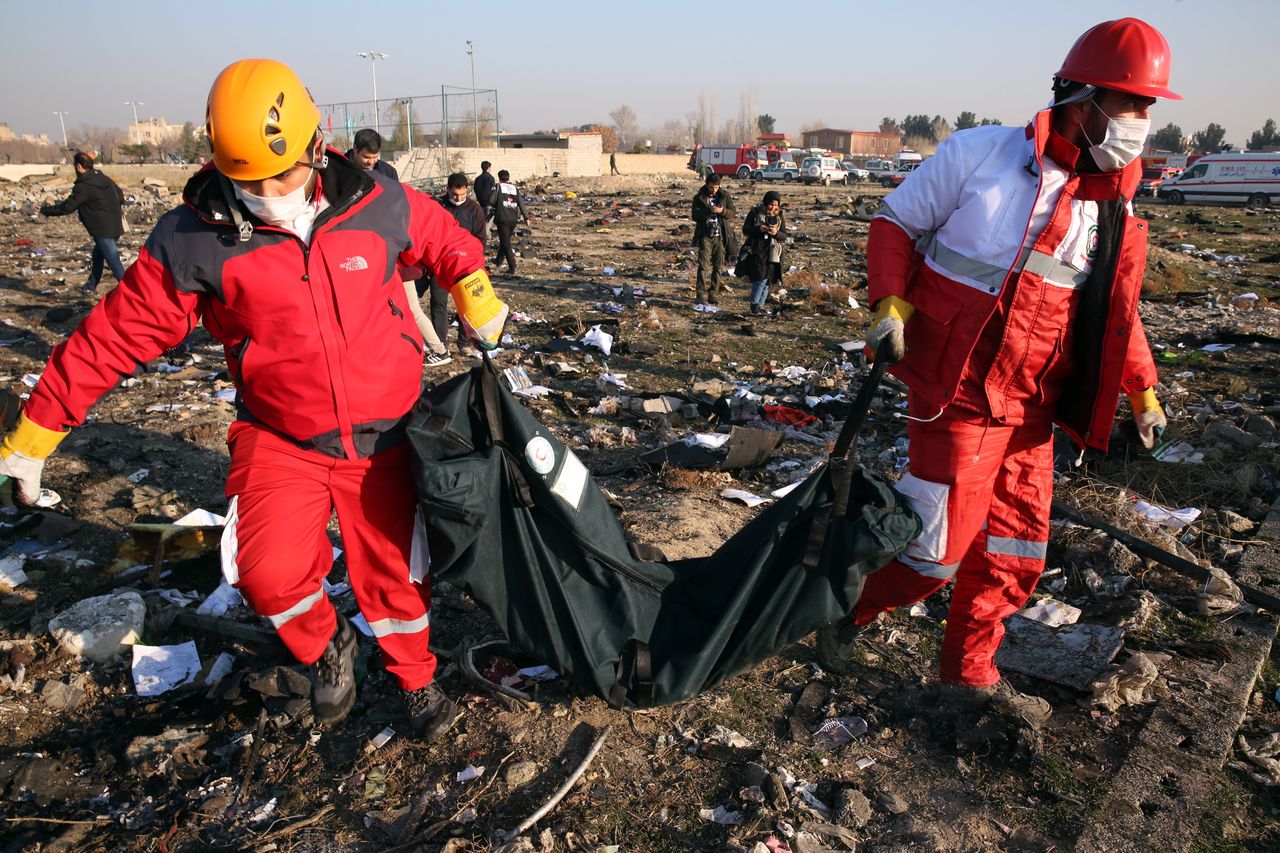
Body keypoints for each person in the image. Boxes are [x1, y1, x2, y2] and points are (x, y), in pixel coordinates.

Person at [0, 59, 509, 738]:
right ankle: (329, 647)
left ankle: (415, 681)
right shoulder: (192, 240)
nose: (268, 191)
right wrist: (32, 437)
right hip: (282, 438)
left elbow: (448, 241)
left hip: (386, 437)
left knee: (395, 576)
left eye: (282, 174)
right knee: (265, 572)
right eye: (249, 181)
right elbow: (109, 339)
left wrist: (476, 293)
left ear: (314, 141)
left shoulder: (378, 201)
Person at [816, 18, 1177, 727]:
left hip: (1032, 408)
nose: (1139, 123)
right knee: (934, 553)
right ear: (1082, 97)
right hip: (954, 392)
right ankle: (841, 606)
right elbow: (894, 223)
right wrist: (890, 303)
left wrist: (1144, 385)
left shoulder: (1113, 206)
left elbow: (1114, 311)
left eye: (1148, 108)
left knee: (1014, 552)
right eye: (1130, 104)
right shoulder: (979, 156)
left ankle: (968, 674)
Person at [410, 173, 488, 361]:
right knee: (438, 303)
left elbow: (481, 239)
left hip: (463, 266)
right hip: (439, 264)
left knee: (465, 305)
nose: (458, 198)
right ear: (448, 189)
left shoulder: (474, 209)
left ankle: (464, 344)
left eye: (462, 194)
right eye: (454, 194)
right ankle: (440, 345)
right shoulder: (438, 205)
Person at [40, 151, 126, 296]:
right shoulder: (102, 177)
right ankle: (91, 286)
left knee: (113, 261)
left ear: (79, 167)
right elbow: (120, 196)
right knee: (98, 255)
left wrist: (45, 210)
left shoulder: (84, 186)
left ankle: (131, 292)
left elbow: (67, 207)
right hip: (116, 224)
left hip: (102, 229)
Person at [690, 172, 735, 306]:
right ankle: (701, 294)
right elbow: (695, 216)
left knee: (718, 266)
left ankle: (713, 293)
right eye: (711, 187)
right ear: (707, 184)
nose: (714, 190)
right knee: (703, 266)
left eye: (716, 187)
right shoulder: (699, 197)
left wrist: (722, 211)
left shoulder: (724, 196)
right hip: (705, 236)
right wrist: (707, 211)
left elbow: (732, 212)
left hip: (720, 236)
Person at [740, 190, 786, 315]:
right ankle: (754, 306)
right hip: (756, 249)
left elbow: (784, 236)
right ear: (766, 203)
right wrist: (759, 229)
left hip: (772, 252)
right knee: (759, 278)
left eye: (776, 205)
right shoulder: (755, 212)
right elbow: (746, 229)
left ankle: (759, 307)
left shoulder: (779, 216)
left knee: (767, 280)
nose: (773, 207)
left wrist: (776, 233)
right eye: (771, 204)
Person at [491, 169, 529, 276]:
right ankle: (498, 261)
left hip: (502, 218)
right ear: (508, 178)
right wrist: (526, 217)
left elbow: (491, 200)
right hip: (513, 219)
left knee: (506, 243)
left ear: (499, 178)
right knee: (505, 241)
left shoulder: (498, 187)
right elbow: (521, 204)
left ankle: (512, 266)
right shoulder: (515, 188)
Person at [473, 160, 497, 236]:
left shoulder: (477, 179)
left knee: (482, 220)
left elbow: (475, 189)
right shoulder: (491, 178)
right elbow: (493, 191)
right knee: (489, 219)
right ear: (488, 168)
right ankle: (485, 234)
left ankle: (484, 233)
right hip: (489, 203)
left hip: (480, 202)